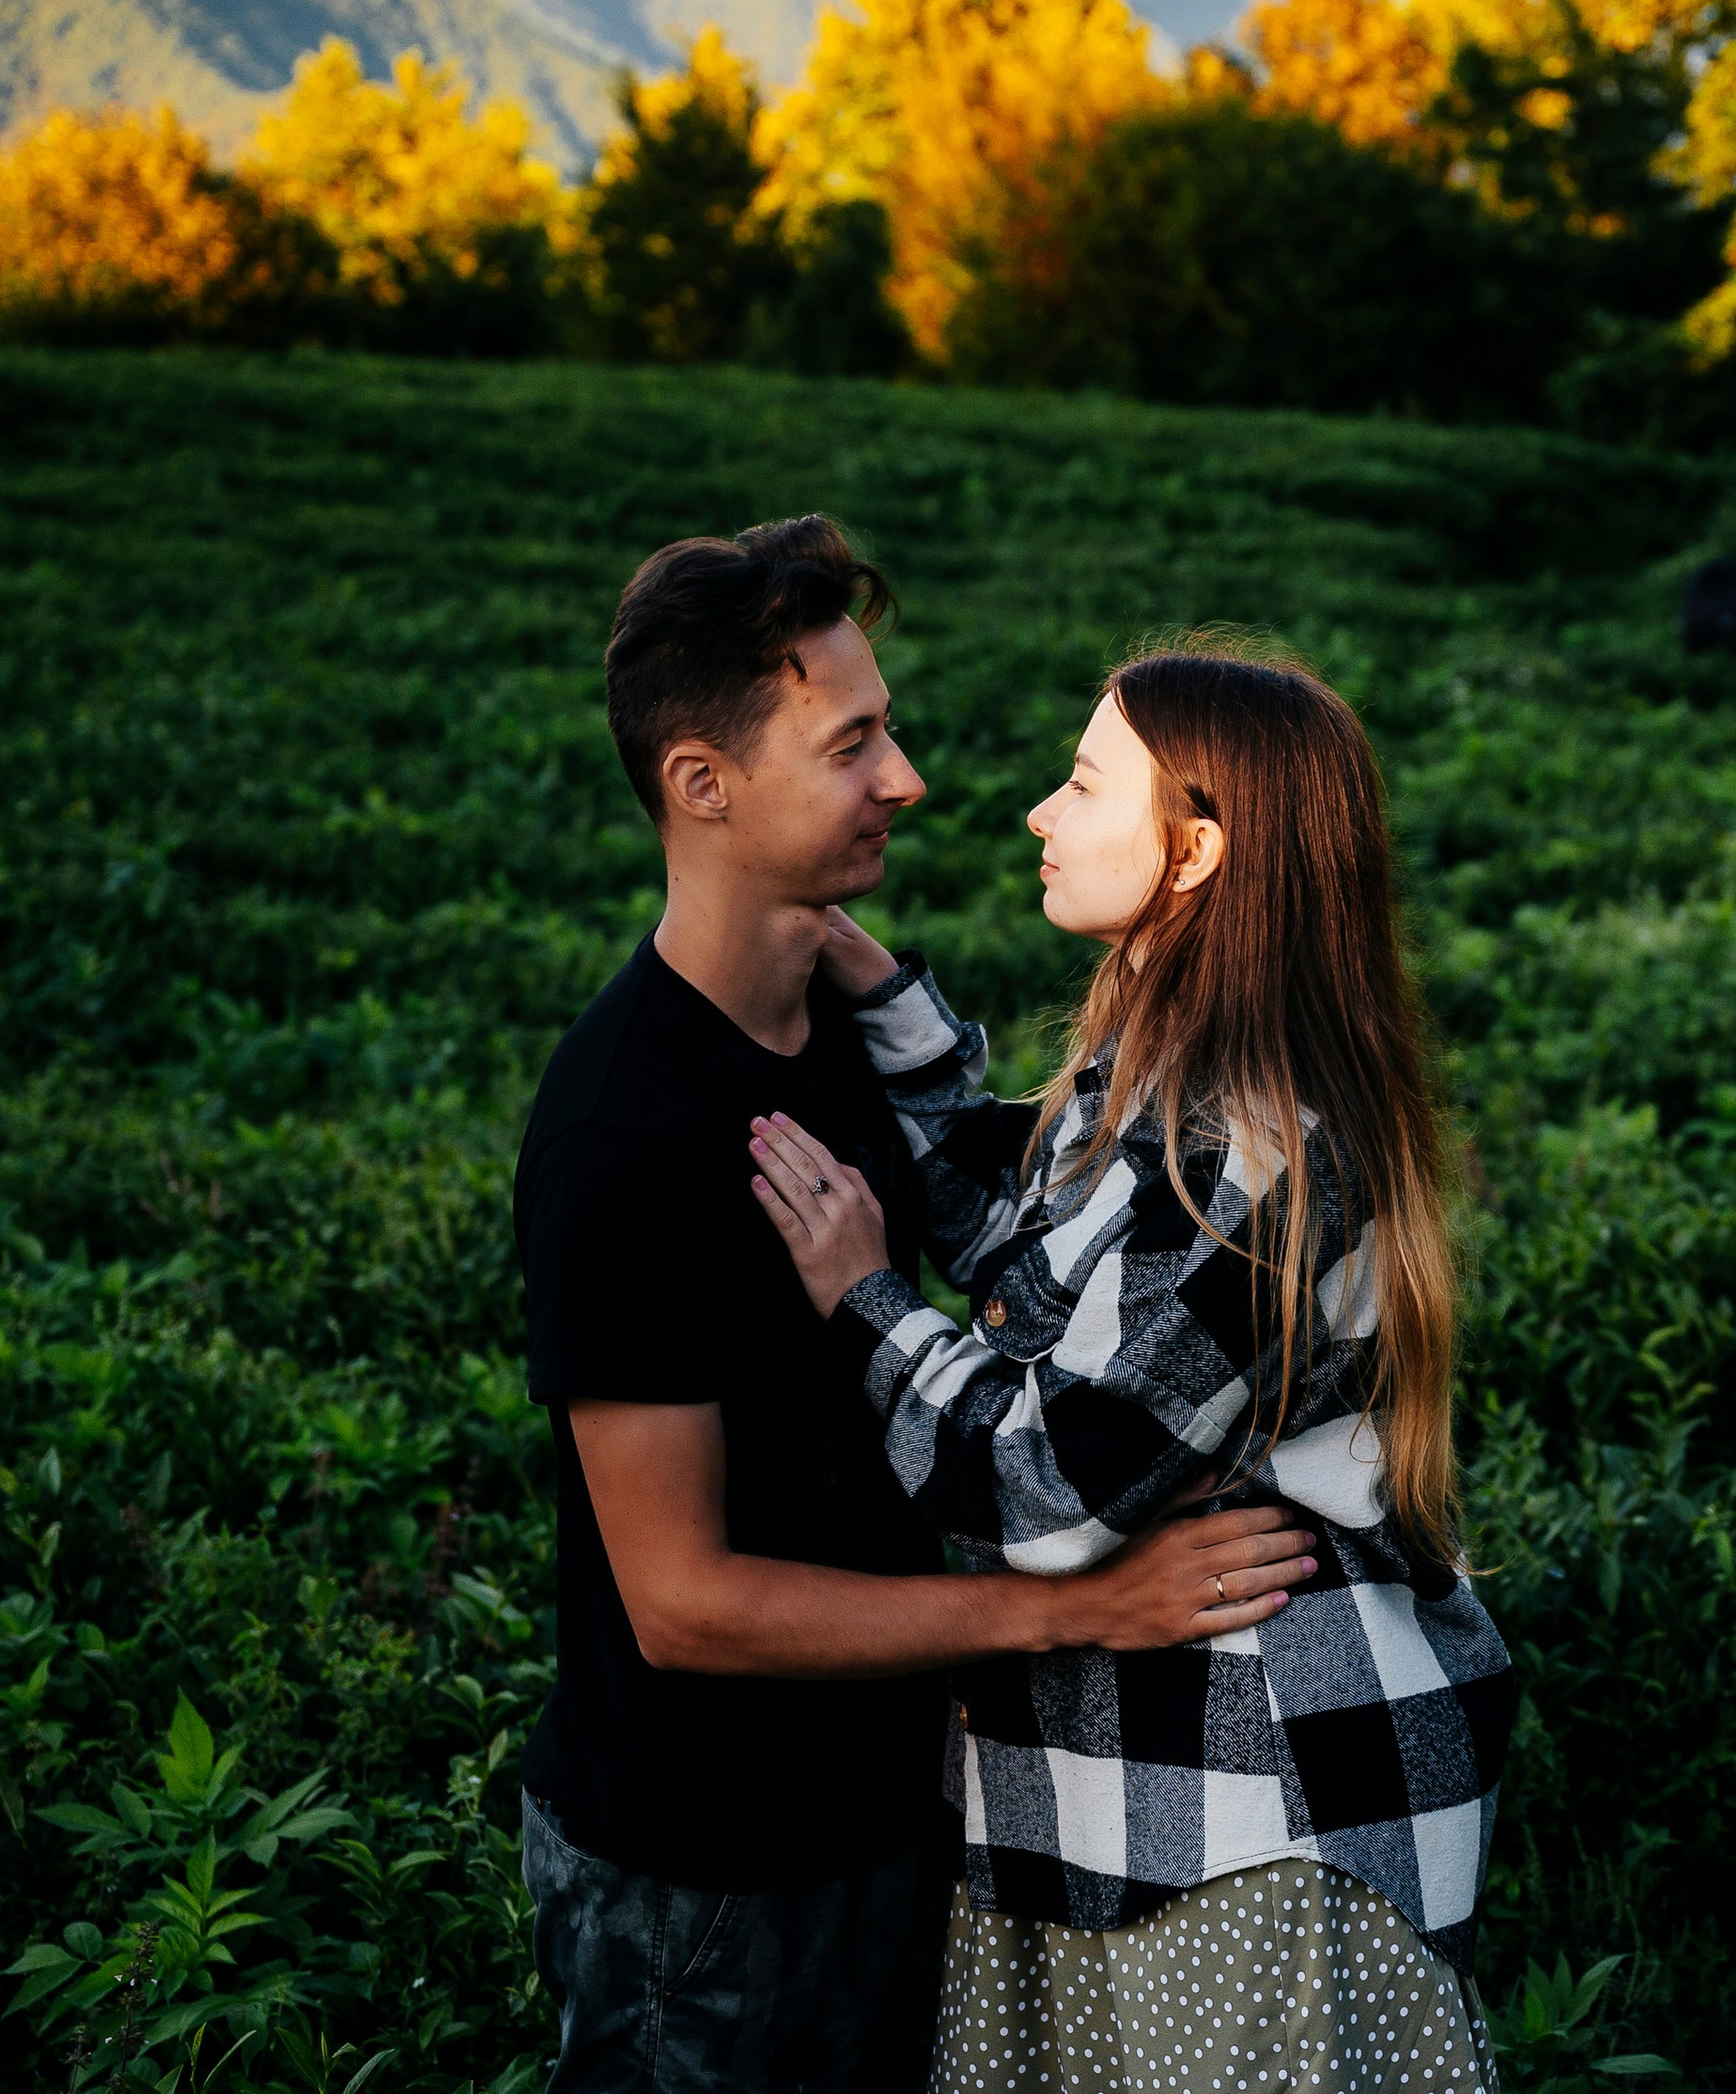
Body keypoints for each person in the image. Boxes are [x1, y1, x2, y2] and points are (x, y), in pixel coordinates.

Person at [514, 523, 1318, 2094]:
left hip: (906, 1816)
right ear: (704, 785)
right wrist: (1077, 1607)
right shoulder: (624, 1131)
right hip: (709, 1883)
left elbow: (1029, 1249)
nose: (910, 779)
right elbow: (682, 1604)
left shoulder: (834, 1022)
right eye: (854, 742)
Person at [748, 638, 1517, 2092]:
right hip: (1100, 1810)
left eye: (1087, 783)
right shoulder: (1154, 1082)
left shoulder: (1257, 1149)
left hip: (1251, 1822)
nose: (1041, 812)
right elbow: (1026, 1244)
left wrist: (866, 1302)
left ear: (1197, 850)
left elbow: (1045, 1484)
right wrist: (881, 1000)